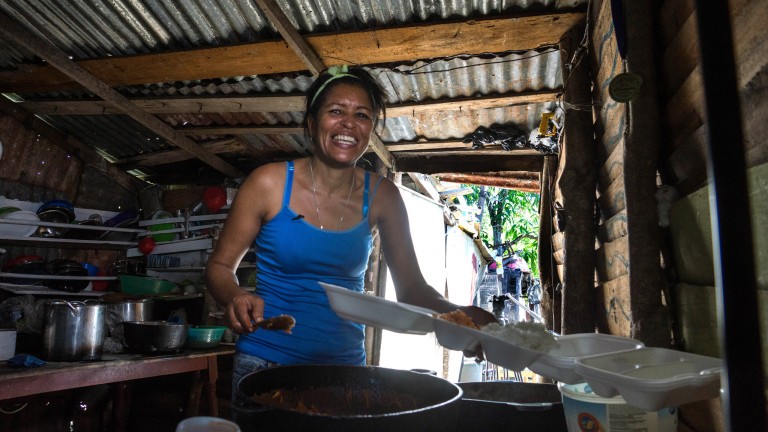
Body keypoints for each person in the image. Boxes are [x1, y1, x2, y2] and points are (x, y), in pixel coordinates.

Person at [204, 65, 496, 397]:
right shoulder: (268, 183)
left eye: (362, 115)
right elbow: (219, 267)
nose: (348, 123)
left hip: (343, 372)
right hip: (264, 364)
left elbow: (412, 289)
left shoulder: (383, 196)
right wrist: (236, 295)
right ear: (313, 123)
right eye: (335, 111)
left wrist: (459, 316)